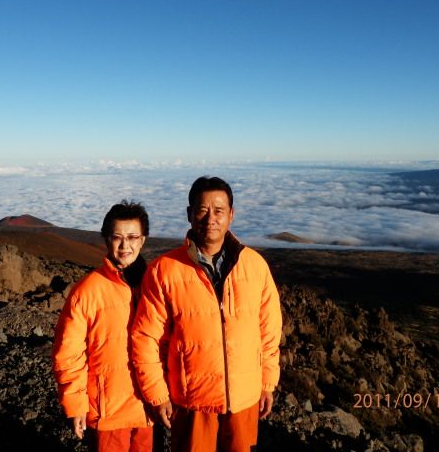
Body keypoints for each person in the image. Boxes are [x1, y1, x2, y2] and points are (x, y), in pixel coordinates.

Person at [131, 177, 282, 451]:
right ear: (190, 214)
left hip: (244, 399)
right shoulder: (164, 270)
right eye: (202, 210)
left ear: (231, 214)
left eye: (219, 210)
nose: (210, 218)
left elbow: (269, 332)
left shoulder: (255, 266)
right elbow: (146, 338)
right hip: (192, 402)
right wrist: (157, 394)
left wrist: (267, 383)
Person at [52, 201, 154, 452]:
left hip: (150, 407)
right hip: (109, 411)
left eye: (132, 237)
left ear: (143, 240)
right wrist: (76, 404)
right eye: (117, 237)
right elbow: (68, 353)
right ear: (107, 239)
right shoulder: (87, 291)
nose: (125, 245)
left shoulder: (156, 285)